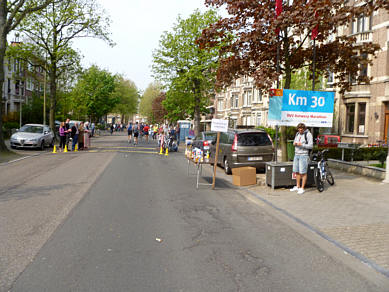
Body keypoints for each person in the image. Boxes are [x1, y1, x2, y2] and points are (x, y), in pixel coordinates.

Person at [290, 123, 313, 195]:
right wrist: (295, 143)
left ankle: (302, 188)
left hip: (303, 155)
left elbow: (311, 146)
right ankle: (297, 186)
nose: (300, 130)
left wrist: (302, 145)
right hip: (296, 154)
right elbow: (294, 142)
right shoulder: (297, 134)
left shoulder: (308, 135)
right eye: (299, 129)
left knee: (303, 172)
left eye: (301, 129)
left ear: (304, 129)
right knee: (296, 171)